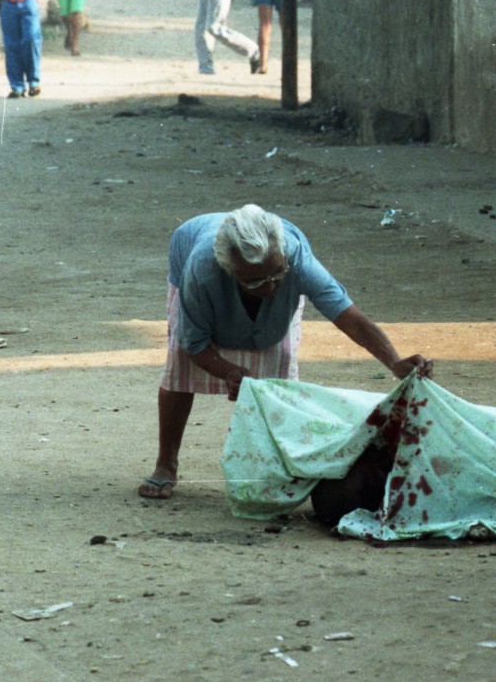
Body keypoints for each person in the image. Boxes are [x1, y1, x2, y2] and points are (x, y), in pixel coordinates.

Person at [138, 204, 433, 499]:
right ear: (230, 271)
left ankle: (281, 466)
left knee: (279, 371)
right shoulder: (201, 270)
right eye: (254, 281)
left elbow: (348, 316)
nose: (269, 288)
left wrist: (393, 361)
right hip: (198, 277)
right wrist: (227, 371)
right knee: (179, 369)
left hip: (271, 316)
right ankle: (166, 464)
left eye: (277, 275)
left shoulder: (296, 259)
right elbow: (193, 343)